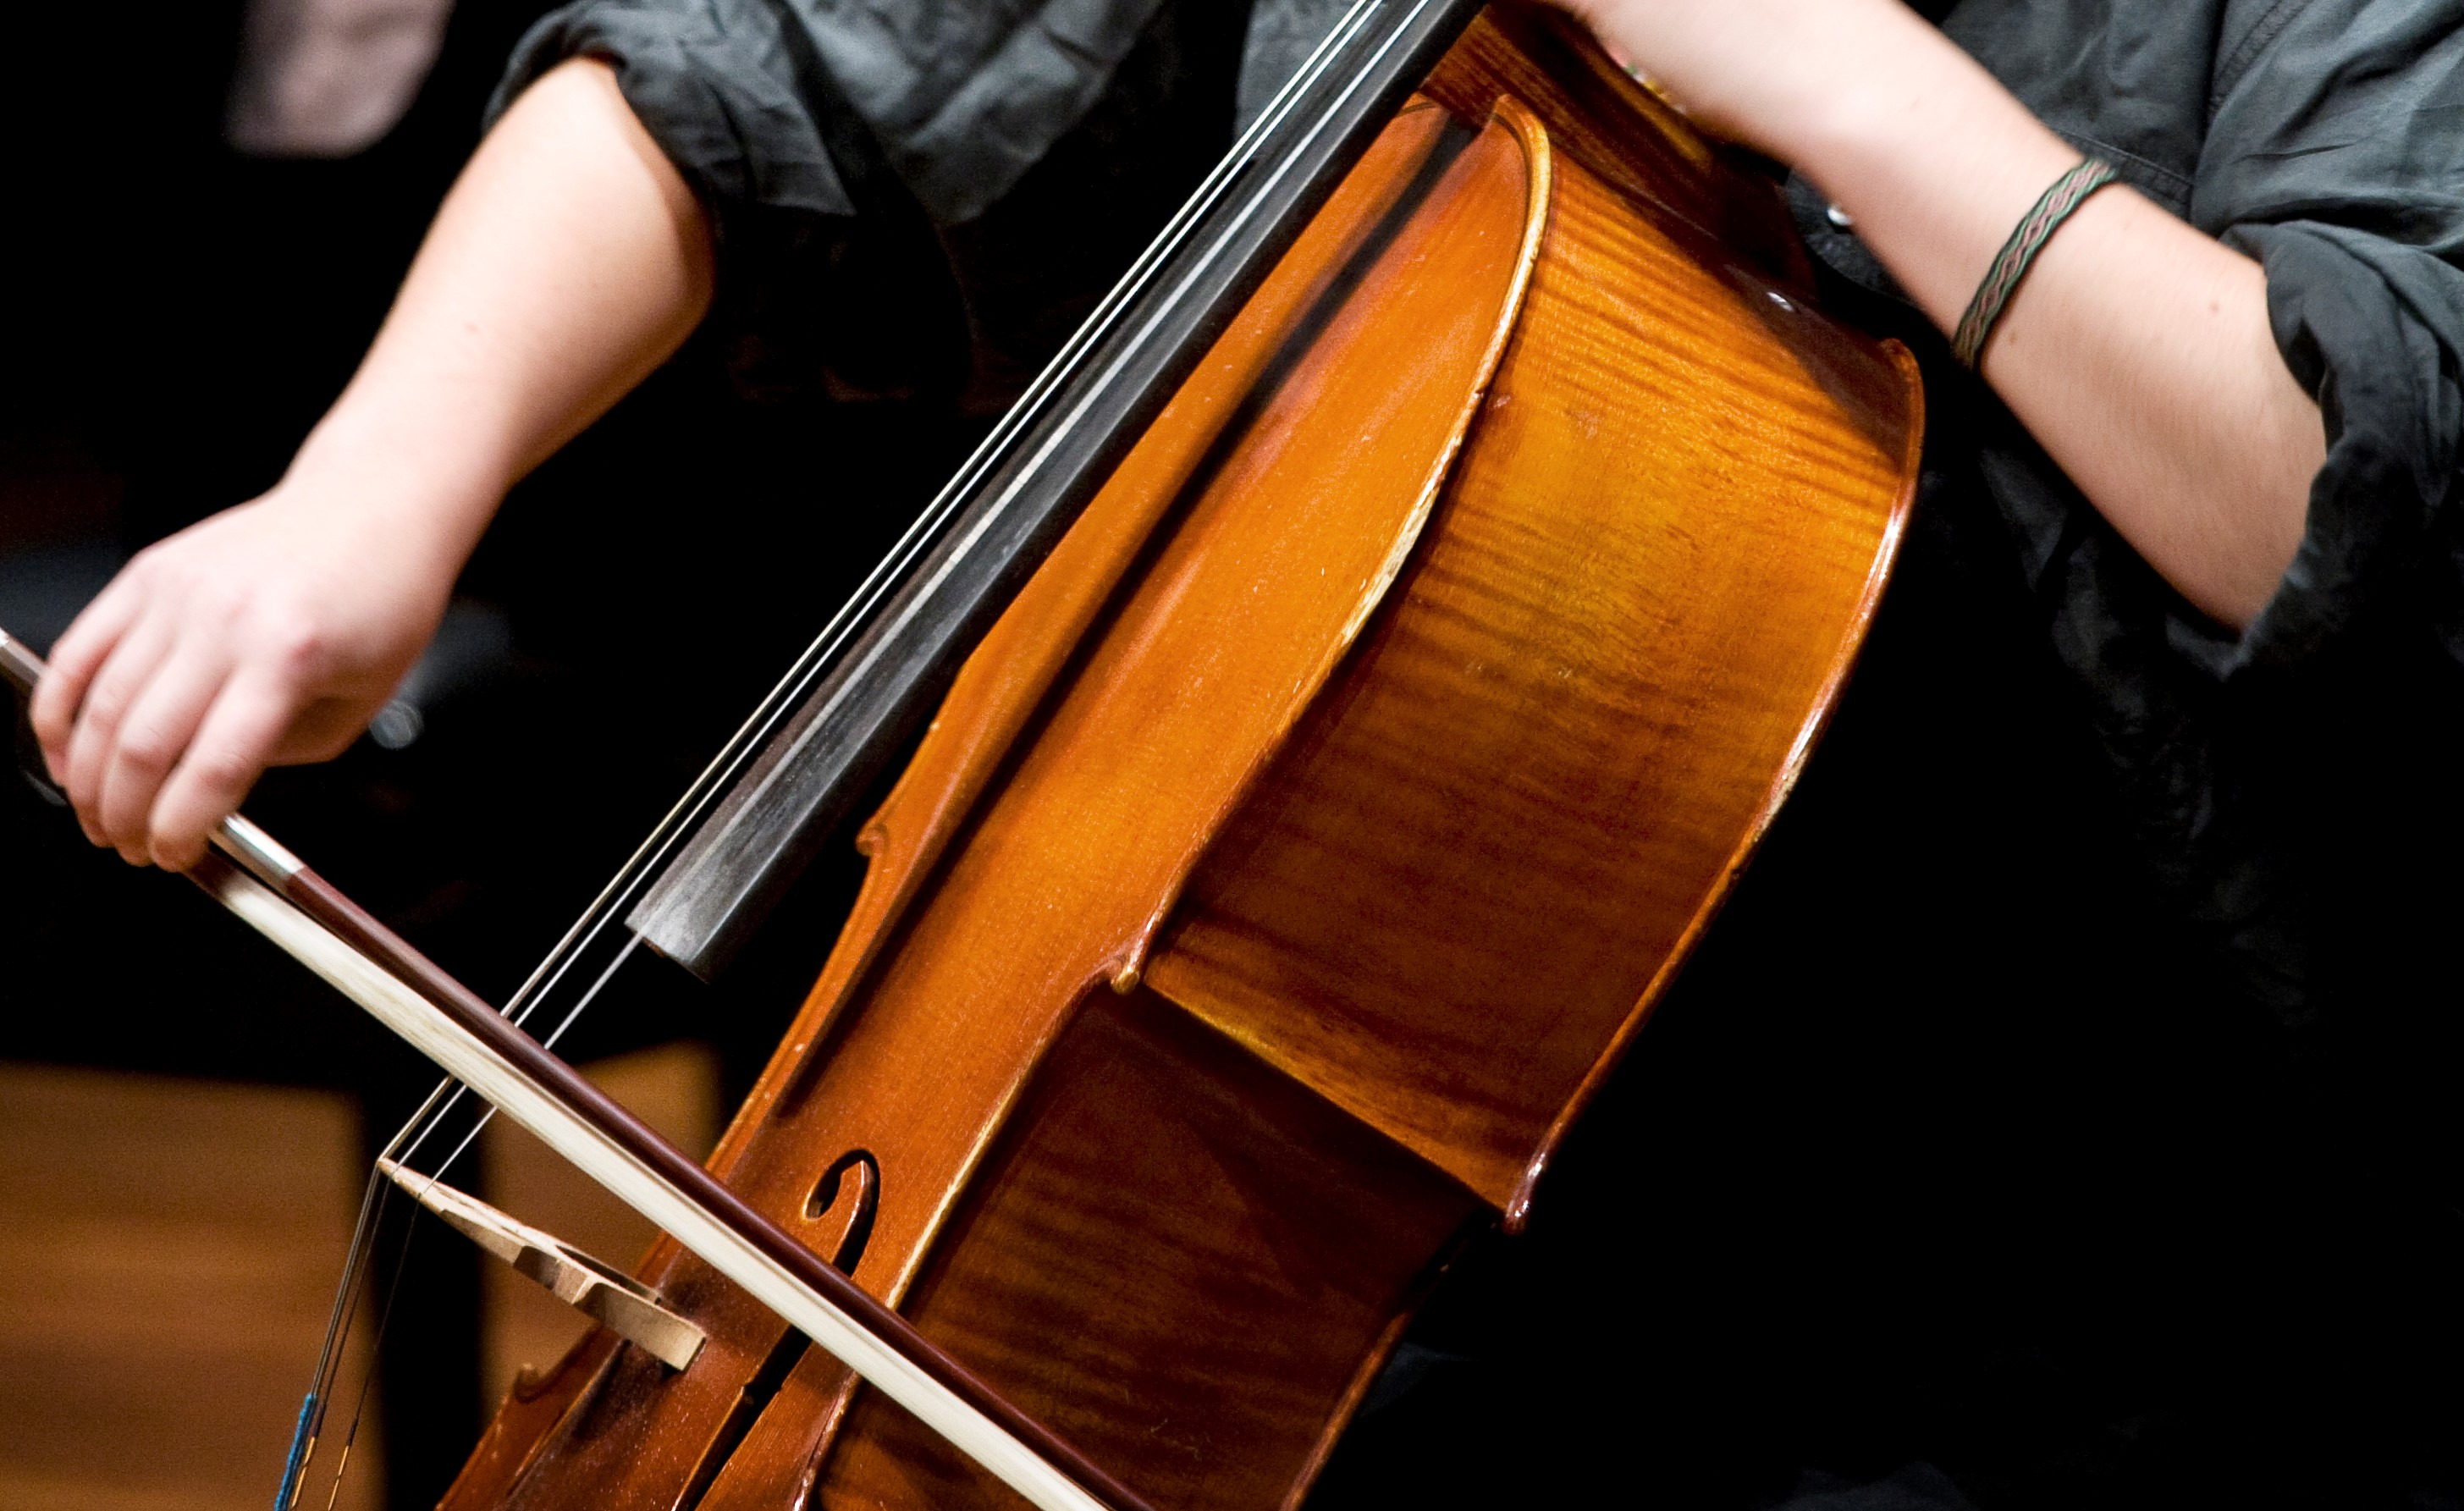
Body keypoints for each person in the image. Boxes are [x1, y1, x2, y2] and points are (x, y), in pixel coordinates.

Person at [25, 0, 2464, 1504]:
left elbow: (2348, 491)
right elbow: (763, 75)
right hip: (1407, 1283)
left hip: (2128, 1300)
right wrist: (372, 496)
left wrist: (1835, 70)